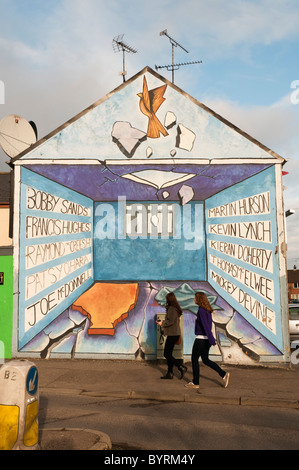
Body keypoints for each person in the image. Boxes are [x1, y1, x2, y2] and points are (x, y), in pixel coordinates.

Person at [185, 291, 230, 389]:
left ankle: (195, 383)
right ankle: (223, 374)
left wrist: (212, 340)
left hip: (201, 340)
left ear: (199, 299)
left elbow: (206, 327)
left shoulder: (201, 310)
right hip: (205, 341)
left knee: (194, 360)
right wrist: (211, 339)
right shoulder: (207, 310)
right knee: (205, 360)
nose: (194, 299)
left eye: (195, 298)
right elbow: (208, 326)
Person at [156, 292, 187, 380]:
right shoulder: (173, 308)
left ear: (169, 300)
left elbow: (171, 321)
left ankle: (181, 366)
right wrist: (163, 321)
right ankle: (170, 373)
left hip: (173, 334)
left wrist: (162, 323)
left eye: (167, 299)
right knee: (169, 354)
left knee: (166, 354)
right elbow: (171, 320)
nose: (166, 301)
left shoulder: (172, 309)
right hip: (173, 333)